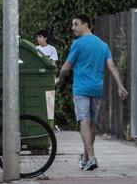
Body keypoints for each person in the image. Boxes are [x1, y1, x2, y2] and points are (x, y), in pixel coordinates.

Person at [55, 14, 128, 171]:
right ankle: (86, 156)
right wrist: (120, 86)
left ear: (85, 25)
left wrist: (59, 79)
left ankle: (92, 157)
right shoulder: (103, 45)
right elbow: (112, 66)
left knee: (84, 121)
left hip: (81, 88)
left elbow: (67, 66)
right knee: (92, 124)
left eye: (76, 24)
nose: (73, 27)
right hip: (96, 88)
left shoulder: (78, 44)